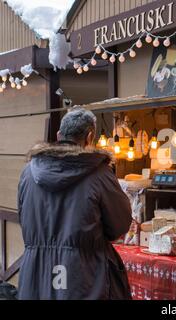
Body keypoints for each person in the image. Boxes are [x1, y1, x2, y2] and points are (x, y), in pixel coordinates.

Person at [17, 107, 133, 300]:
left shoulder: (28, 173)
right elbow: (119, 226)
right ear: (89, 137)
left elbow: (24, 219)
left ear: (58, 135)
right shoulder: (100, 174)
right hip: (85, 276)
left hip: (37, 273)